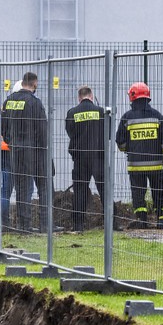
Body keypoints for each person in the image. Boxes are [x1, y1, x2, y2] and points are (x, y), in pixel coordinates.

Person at [115, 82, 163, 229]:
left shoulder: (127, 117)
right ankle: (162, 220)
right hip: (155, 164)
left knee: (138, 192)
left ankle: (142, 220)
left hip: (135, 165)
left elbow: (120, 142)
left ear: (132, 97)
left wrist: (130, 148)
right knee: (159, 191)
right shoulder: (157, 116)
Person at [1, 71, 51, 233]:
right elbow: (42, 130)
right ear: (34, 84)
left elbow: (3, 127)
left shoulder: (9, 101)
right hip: (35, 151)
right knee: (43, 186)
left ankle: (24, 225)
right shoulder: (35, 103)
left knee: (21, 187)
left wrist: (12, 143)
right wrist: (43, 150)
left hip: (16, 151)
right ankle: (45, 224)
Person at [65, 85, 105, 232]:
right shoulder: (101, 112)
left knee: (80, 190)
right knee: (104, 189)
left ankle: (78, 225)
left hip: (80, 157)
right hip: (98, 156)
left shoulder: (72, 113)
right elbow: (107, 134)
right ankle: (111, 222)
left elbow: (70, 132)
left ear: (79, 98)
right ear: (91, 96)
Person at [0, 80, 22, 231]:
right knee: (23, 188)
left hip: (4, 151)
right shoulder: (21, 106)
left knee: (5, 189)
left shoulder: (3, 106)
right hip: (15, 151)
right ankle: (21, 222)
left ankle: (3, 222)